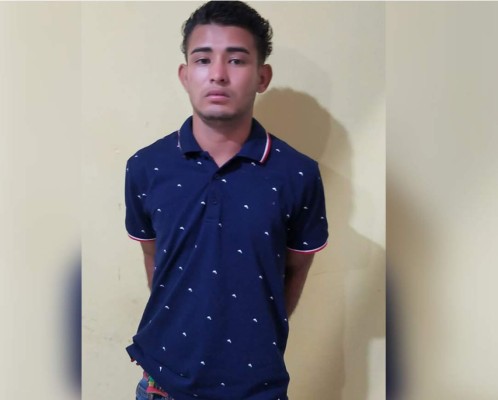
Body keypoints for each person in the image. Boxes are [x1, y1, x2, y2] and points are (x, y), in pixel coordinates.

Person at [124, 2, 328, 399]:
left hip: (257, 387)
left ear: (262, 76)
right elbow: (154, 256)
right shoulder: (146, 167)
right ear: (185, 75)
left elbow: (296, 269)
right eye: (203, 60)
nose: (218, 74)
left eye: (236, 60)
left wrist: (253, 336)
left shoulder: (298, 174)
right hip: (162, 384)